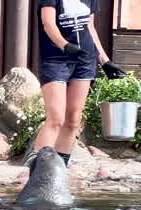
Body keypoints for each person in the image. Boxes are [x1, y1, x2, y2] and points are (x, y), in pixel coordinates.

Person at [30, 0, 126, 167]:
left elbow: (90, 27)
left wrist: (105, 61)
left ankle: (59, 169)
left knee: (74, 118)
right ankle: (34, 171)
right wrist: (65, 46)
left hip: (84, 60)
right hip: (56, 59)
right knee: (56, 118)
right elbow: (48, 24)